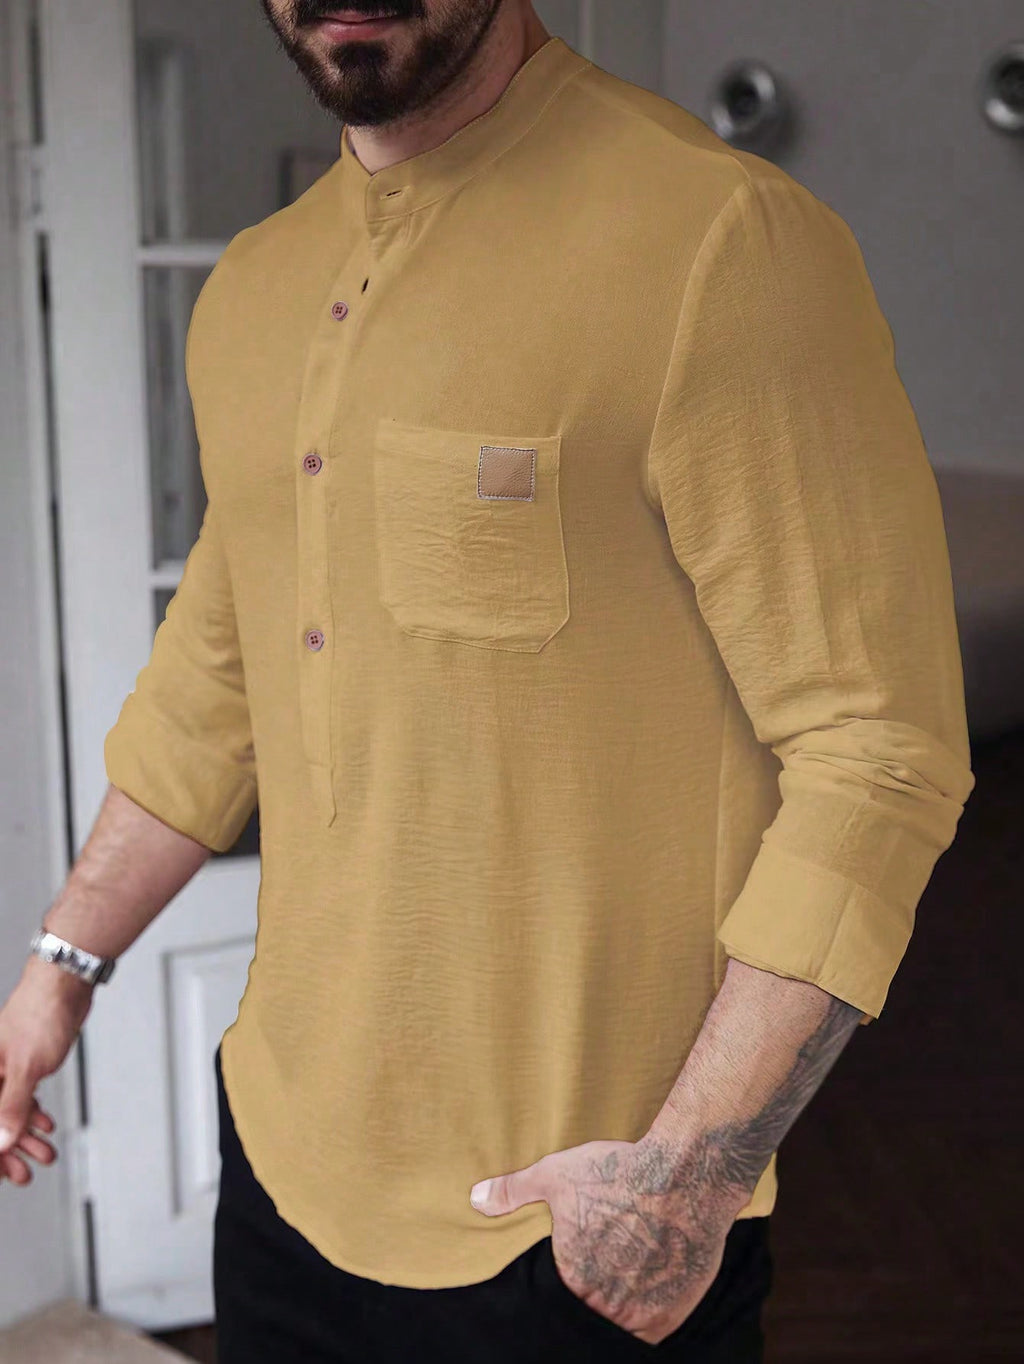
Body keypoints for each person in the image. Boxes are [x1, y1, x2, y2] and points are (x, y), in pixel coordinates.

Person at [0, 2, 976, 1360]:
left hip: (574, 1224)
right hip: (281, 1168)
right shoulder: (253, 290)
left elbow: (879, 746)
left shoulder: (718, 240)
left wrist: (686, 1179)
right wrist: (61, 965)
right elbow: (215, 685)